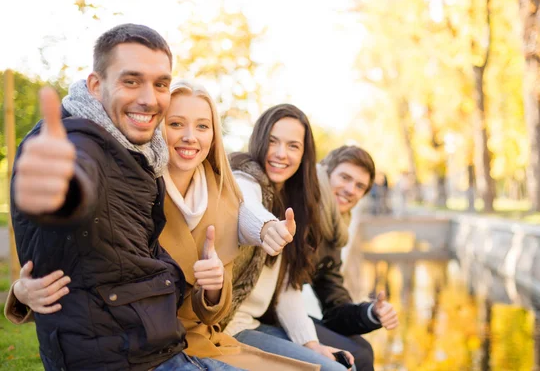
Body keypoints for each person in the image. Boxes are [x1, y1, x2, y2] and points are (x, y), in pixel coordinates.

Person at [6, 80, 316, 370]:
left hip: (204, 340)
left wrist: (215, 288)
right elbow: (81, 269)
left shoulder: (226, 196)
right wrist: (21, 291)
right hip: (148, 347)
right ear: (156, 127)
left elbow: (217, 308)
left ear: (213, 135)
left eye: (202, 126)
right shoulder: (129, 190)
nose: (190, 137)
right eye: (176, 123)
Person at [7, 23, 221, 370]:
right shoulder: (80, 145)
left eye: (161, 84)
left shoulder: (139, 153)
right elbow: (78, 184)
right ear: (96, 85)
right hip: (119, 359)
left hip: (151, 345)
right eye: (131, 81)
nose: (149, 99)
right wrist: (59, 189)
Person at [222, 104, 354, 371]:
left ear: (304, 154)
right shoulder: (243, 177)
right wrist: (267, 228)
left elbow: (288, 289)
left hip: (254, 323)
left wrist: (311, 344)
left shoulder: (295, 202)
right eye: (273, 141)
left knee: (345, 363)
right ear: (259, 140)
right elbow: (248, 207)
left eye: (293, 146)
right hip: (228, 328)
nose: (281, 154)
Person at [310, 146, 399, 371]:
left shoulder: (334, 230)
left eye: (360, 186)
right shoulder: (304, 208)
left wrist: (372, 313)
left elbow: (334, 306)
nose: (350, 189)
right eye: (345, 177)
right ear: (326, 173)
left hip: (282, 313)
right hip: (264, 316)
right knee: (358, 355)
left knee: (360, 350)